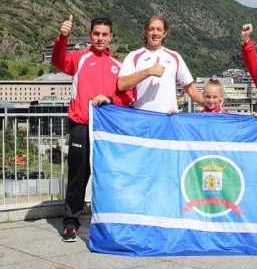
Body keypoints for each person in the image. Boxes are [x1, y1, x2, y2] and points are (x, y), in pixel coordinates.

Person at [52, 14, 132, 242]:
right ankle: (70, 222)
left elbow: (128, 97)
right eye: (96, 33)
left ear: (111, 37)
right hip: (81, 124)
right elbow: (58, 61)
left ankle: (110, 218)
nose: (100, 38)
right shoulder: (79, 59)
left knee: (109, 174)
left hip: (107, 130)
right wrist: (63, 36)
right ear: (90, 35)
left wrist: (109, 98)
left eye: (104, 34)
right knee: (78, 174)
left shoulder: (119, 65)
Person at [117, 15, 204, 112]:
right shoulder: (134, 56)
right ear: (145, 32)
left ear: (165, 33)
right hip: (143, 119)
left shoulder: (174, 57)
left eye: (159, 29)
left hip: (168, 118)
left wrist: (211, 107)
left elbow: (190, 88)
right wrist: (148, 71)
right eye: (151, 29)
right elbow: (121, 84)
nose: (155, 33)